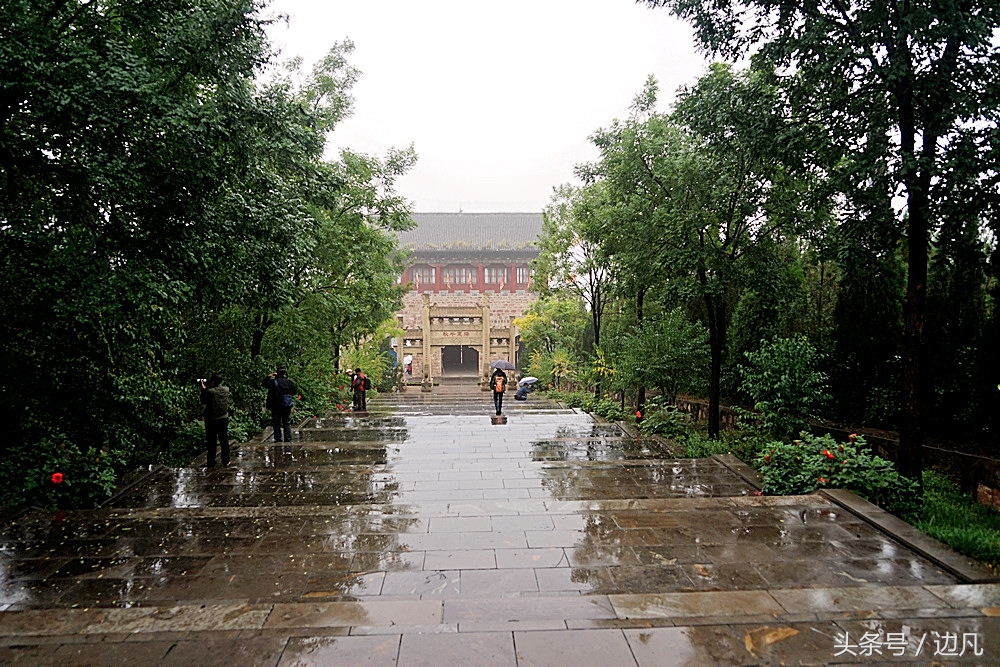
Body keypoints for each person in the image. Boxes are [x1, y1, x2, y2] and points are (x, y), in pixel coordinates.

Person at [200, 374, 231, 467]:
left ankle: (211, 461)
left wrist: (203, 389)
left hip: (212, 420)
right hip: (224, 418)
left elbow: (203, 400)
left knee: (211, 441)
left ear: (213, 382)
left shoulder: (210, 392)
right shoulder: (226, 390)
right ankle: (226, 460)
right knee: (224, 440)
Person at [264, 366, 297, 442]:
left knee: (276, 422)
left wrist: (269, 376)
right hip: (286, 405)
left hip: (276, 405)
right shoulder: (289, 382)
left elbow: (264, 384)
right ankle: (288, 438)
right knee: (287, 422)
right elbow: (294, 392)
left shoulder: (273, 382)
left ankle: (278, 438)